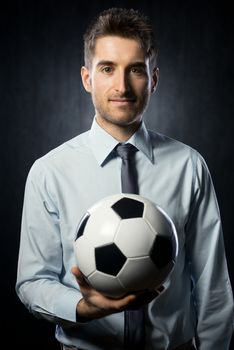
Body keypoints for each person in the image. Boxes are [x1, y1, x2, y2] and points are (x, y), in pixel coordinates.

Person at [16, 7, 234, 350]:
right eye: (107, 69)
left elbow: (213, 286)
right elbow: (32, 281)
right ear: (87, 78)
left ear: (154, 79)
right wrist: (83, 308)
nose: (122, 86)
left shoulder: (189, 166)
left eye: (135, 70)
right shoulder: (49, 172)